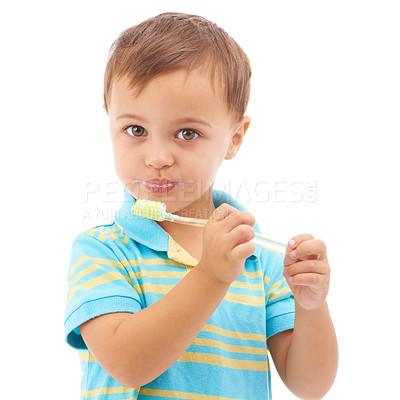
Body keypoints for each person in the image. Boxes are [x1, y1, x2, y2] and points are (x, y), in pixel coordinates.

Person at [65, 12, 338, 400]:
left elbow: (310, 386)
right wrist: (211, 274)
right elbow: (129, 363)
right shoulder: (102, 251)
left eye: (187, 133)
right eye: (135, 130)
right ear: (110, 123)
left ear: (234, 139)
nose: (157, 156)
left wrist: (312, 307)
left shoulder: (259, 259)